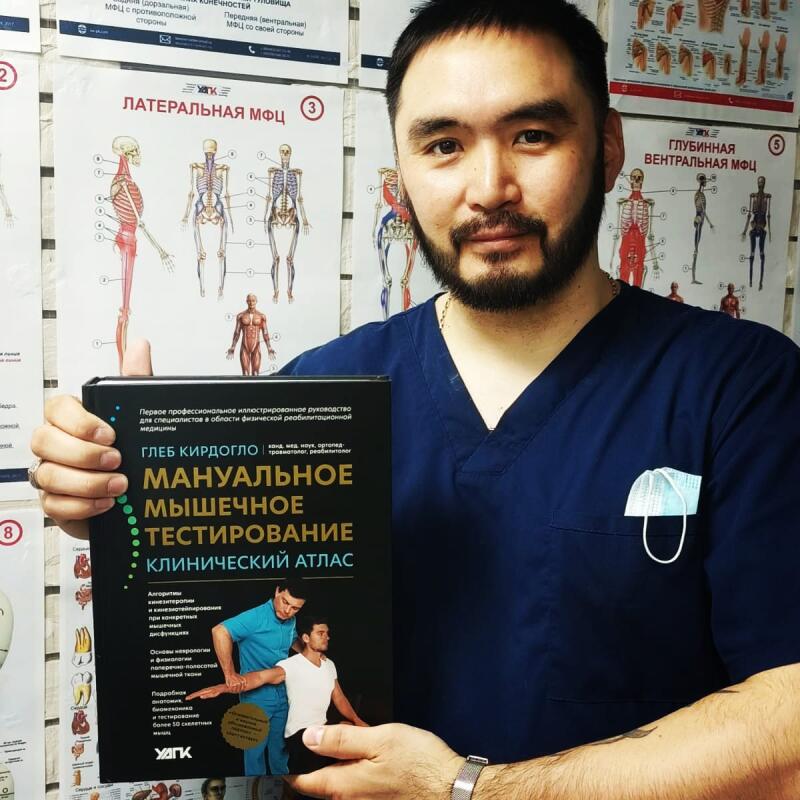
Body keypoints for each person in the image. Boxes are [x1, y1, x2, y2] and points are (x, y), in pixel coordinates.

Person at [29, 1, 800, 797]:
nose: (489, 187)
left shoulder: (740, 389)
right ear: (400, 179)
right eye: (444, 145)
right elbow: (226, 634)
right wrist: (120, 497)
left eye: (533, 136)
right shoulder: (314, 398)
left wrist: (468, 789)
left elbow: (789, 729)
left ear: (606, 148)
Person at [187, 617, 368, 775]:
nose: (326, 637)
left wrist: (358, 721)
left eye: (327, 633)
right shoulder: (291, 665)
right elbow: (258, 677)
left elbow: (339, 698)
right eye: (321, 633)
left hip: (320, 728)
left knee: (350, 727)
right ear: (305, 638)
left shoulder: (329, 665)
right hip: (299, 734)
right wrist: (222, 687)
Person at [211, 580, 307, 776]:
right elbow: (219, 631)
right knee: (255, 759)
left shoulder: (290, 619)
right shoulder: (256, 617)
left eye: (295, 608)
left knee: (280, 754)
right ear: (277, 591)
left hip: (283, 693)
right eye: (284, 602)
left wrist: (309, 653)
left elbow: (291, 638)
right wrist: (229, 674)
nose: (287, 610)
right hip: (256, 698)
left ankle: (281, 794)